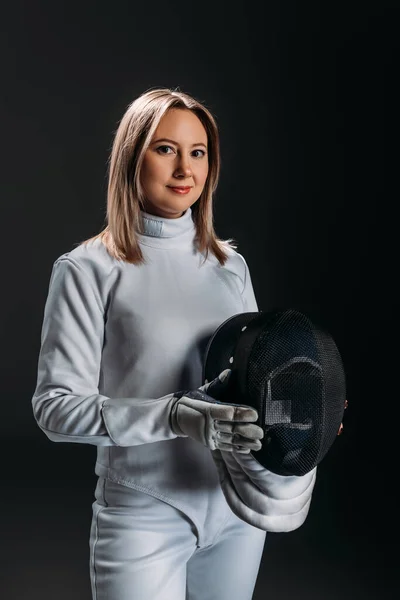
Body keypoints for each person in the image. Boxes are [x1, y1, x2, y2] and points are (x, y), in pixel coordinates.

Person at [31, 87, 315, 600]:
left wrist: (309, 407)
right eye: (165, 149)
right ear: (131, 158)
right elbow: (55, 410)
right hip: (142, 511)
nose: (185, 169)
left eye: (198, 152)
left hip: (236, 507)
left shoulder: (230, 266)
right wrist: (174, 415)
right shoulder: (88, 269)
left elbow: (254, 378)